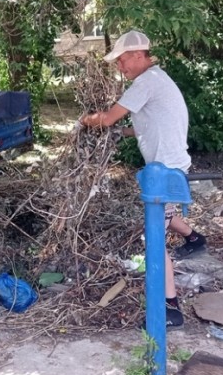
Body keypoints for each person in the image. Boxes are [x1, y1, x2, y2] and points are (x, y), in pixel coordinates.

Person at [80, 30, 207, 327]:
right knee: (164, 213)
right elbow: (144, 126)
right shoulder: (157, 80)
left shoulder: (146, 81)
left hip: (166, 173)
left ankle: (170, 308)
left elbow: (109, 117)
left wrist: (84, 121)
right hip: (169, 169)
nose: (119, 67)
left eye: (122, 60)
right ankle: (194, 238)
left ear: (139, 55)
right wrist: (119, 133)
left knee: (153, 235)